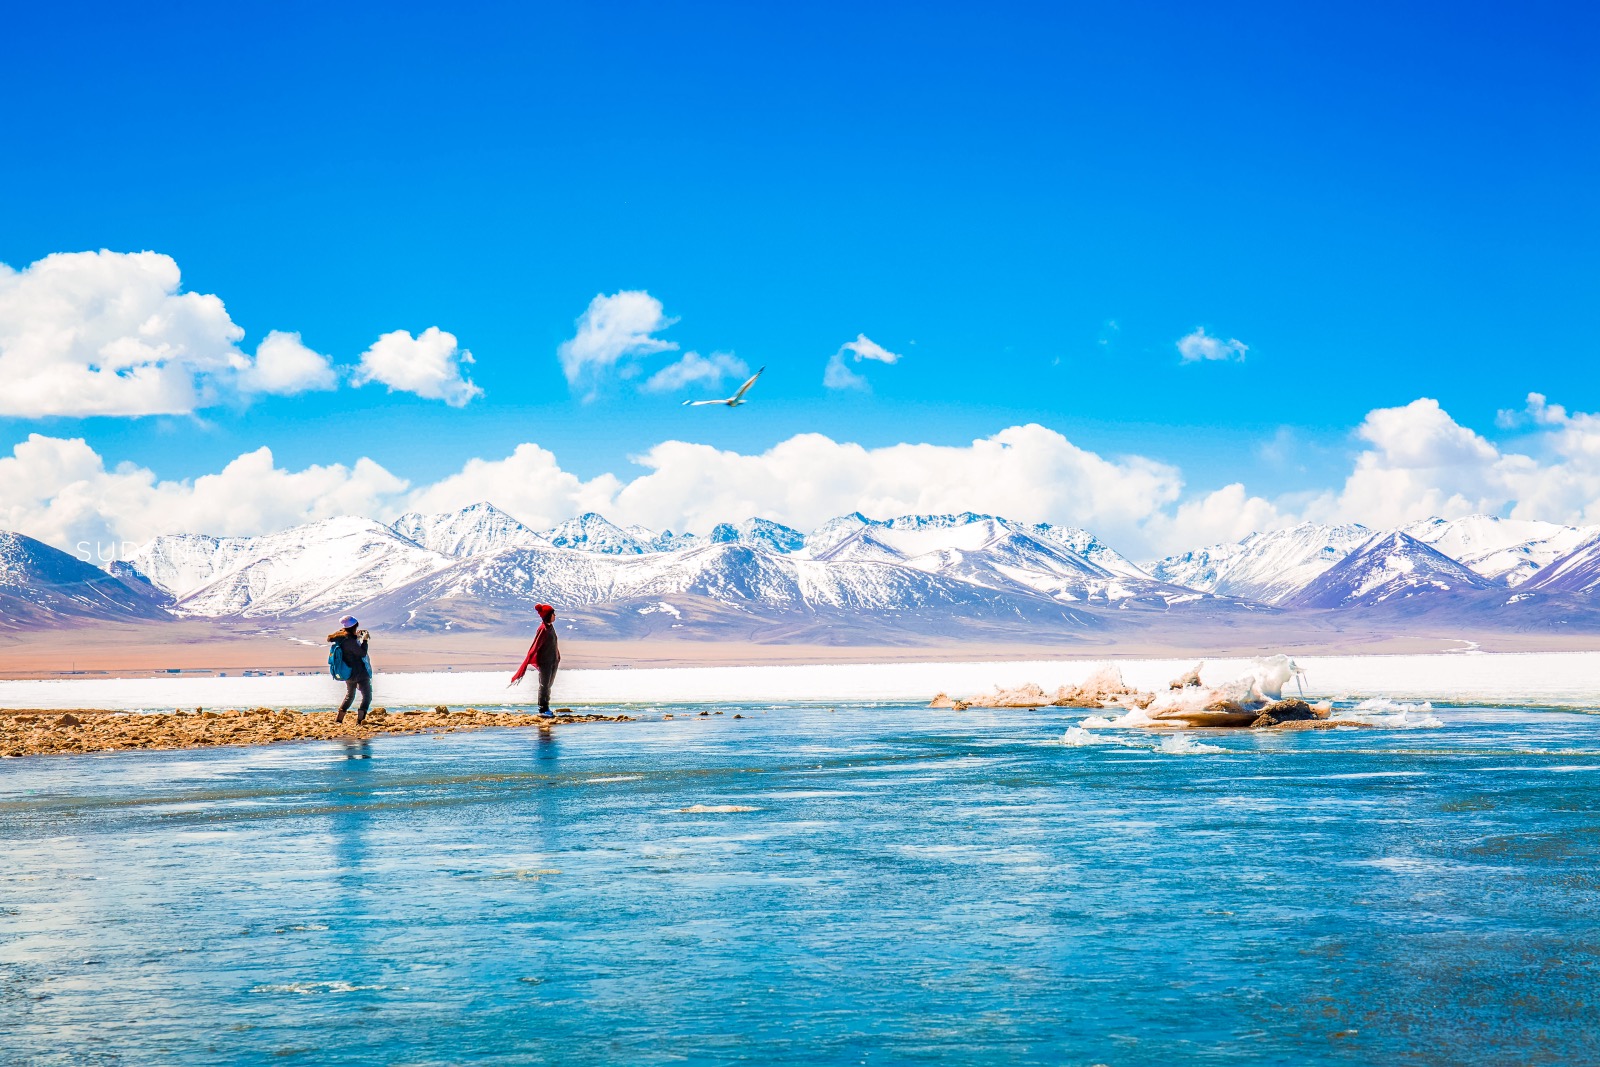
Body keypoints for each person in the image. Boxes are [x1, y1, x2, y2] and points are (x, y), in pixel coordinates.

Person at [510, 603, 561, 716]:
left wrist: (557, 657)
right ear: (548, 615)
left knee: (549, 684)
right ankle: (543, 708)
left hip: (553, 661)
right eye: (553, 614)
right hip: (545, 662)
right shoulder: (542, 629)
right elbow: (535, 646)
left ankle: (546, 706)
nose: (555, 616)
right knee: (544, 684)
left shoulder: (550, 627)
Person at [328, 615, 372, 725]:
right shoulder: (349, 641)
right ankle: (360, 721)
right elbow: (362, 653)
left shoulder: (342, 638)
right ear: (353, 627)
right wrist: (365, 641)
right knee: (367, 695)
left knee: (350, 695)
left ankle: (339, 720)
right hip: (359, 672)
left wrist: (356, 636)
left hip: (348, 672)